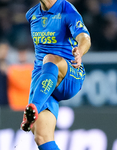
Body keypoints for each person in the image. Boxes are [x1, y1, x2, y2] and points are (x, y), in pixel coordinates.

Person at [20, 0, 91, 150]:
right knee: (41, 137)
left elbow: (84, 37)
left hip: (69, 75)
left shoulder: (67, 10)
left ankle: (34, 108)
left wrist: (80, 51)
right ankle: (33, 111)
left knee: (50, 58)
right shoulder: (32, 14)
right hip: (43, 80)